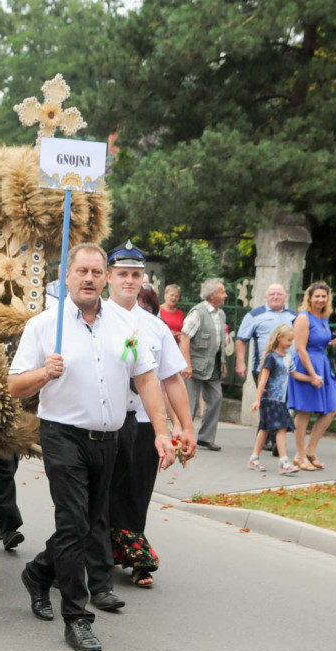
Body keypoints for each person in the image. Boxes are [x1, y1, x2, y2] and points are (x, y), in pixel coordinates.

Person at [10, 243, 176, 651]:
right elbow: (13, 386)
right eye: (80, 271)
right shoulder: (45, 325)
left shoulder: (125, 325)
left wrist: (160, 430)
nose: (88, 278)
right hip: (63, 435)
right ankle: (77, 618)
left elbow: (148, 379)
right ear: (67, 276)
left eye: (95, 272)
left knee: (86, 526)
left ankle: (37, 572)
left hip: (112, 440)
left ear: (105, 278)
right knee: (73, 526)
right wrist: (42, 374)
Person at [88, 241, 195, 594]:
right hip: (101, 422)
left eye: (136, 275)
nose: (129, 281)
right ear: (108, 278)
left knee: (136, 492)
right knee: (98, 494)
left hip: (144, 423)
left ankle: (133, 554)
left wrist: (186, 426)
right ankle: (92, 556)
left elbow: (171, 379)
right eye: (123, 274)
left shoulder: (155, 327)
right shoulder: (89, 318)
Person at [287, 281, 336, 471]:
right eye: (317, 296)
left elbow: (319, 342)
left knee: (333, 406)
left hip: (323, 362)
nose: (320, 299)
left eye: (324, 296)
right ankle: (299, 455)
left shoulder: (324, 316)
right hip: (307, 365)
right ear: (309, 298)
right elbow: (300, 348)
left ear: (328, 298)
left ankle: (311, 449)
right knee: (305, 411)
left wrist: (331, 344)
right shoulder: (303, 318)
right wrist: (312, 374)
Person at [236, 283, 297, 454]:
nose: (276, 297)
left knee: (278, 404)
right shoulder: (255, 315)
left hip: (286, 369)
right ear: (266, 297)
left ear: (285, 296)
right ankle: (274, 441)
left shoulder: (293, 316)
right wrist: (240, 362)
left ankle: (267, 439)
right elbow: (241, 339)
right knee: (271, 404)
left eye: (279, 294)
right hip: (264, 368)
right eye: (272, 294)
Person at [178, 278, 227, 451]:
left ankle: (206, 438)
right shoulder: (198, 312)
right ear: (213, 295)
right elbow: (184, 336)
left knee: (216, 398)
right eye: (222, 292)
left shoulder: (220, 314)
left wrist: (224, 363)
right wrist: (187, 364)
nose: (225, 295)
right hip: (195, 364)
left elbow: (220, 342)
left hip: (213, 365)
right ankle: (184, 435)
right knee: (190, 402)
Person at [248, 324, 299, 474]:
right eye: (289, 340)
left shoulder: (288, 357)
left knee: (265, 429)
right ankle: (284, 462)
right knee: (281, 428)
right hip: (269, 399)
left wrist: (313, 378)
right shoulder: (272, 357)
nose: (291, 343)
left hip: (280, 400)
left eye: (292, 340)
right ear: (279, 338)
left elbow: (295, 374)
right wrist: (257, 399)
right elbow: (263, 379)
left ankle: (254, 458)